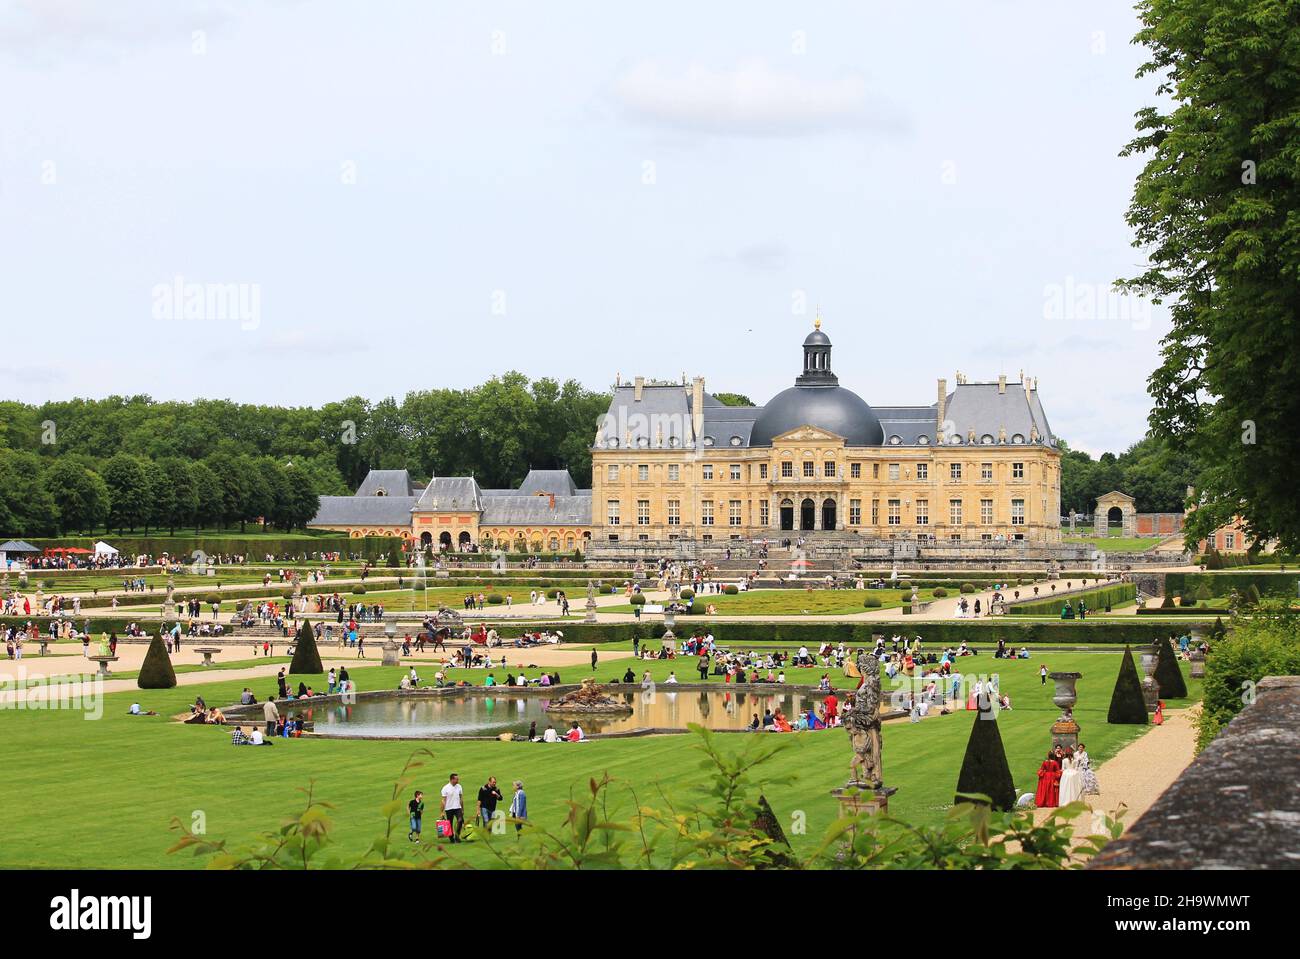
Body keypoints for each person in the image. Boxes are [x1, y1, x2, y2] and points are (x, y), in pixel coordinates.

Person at [440, 773, 465, 843]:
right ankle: (451, 837)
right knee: (449, 824)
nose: (458, 780)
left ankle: (457, 835)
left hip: (457, 807)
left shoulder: (459, 786)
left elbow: (461, 798)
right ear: (452, 779)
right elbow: (443, 800)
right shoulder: (445, 788)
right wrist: (442, 812)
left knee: (460, 820)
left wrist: (462, 809)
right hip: (449, 808)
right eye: (456, 779)